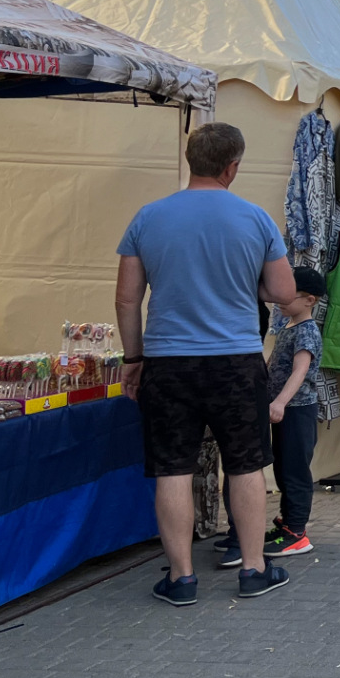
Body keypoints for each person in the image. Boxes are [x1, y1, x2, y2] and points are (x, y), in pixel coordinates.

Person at [116, 122, 299, 605]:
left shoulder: (147, 218)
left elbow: (126, 301)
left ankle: (181, 578)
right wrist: (247, 285)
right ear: (232, 166)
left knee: (173, 468)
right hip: (235, 361)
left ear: (189, 158)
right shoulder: (255, 219)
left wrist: (133, 358)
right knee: (245, 465)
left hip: (168, 361)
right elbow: (283, 293)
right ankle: (255, 569)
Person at [259, 266, 327, 560]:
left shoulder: (308, 331)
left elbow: (300, 371)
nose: (279, 302)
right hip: (284, 412)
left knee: (296, 470)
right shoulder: (287, 327)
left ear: (309, 300)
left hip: (298, 411)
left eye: (287, 297)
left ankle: (297, 532)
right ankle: (286, 523)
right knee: (283, 469)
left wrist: (280, 402)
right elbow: (275, 363)